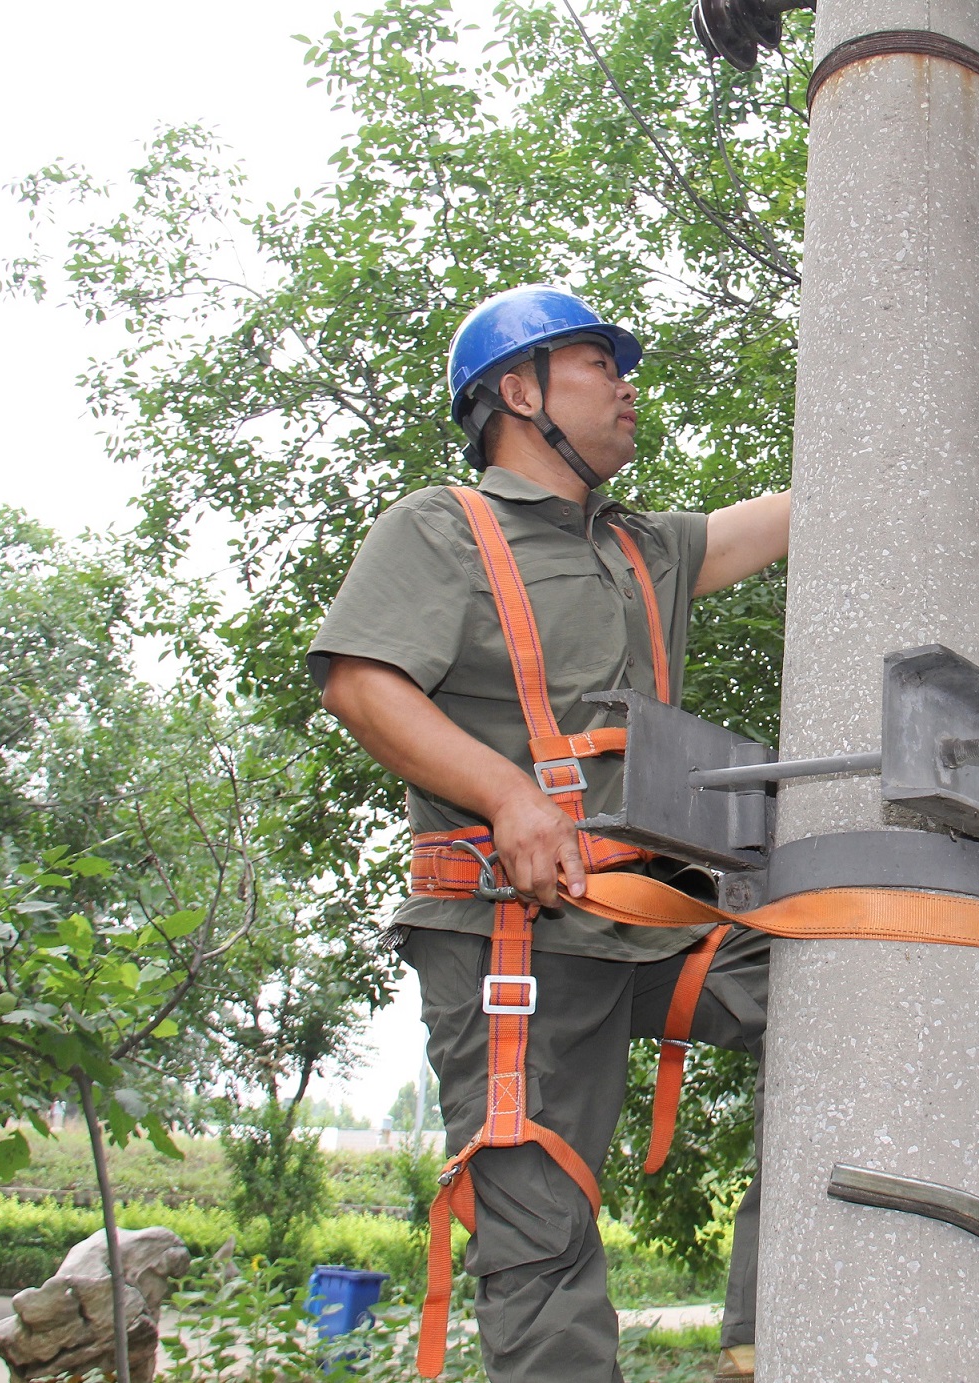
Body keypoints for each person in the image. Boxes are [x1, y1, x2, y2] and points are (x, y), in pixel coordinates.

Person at [310, 285, 788, 1382]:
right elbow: (359, 682)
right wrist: (509, 796)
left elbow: (800, 508)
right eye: (595, 364)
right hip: (505, 933)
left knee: (843, 984)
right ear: (519, 394)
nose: (626, 386)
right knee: (539, 1240)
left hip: (652, 919)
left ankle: (765, 1335)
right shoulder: (440, 530)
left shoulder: (638, 550)